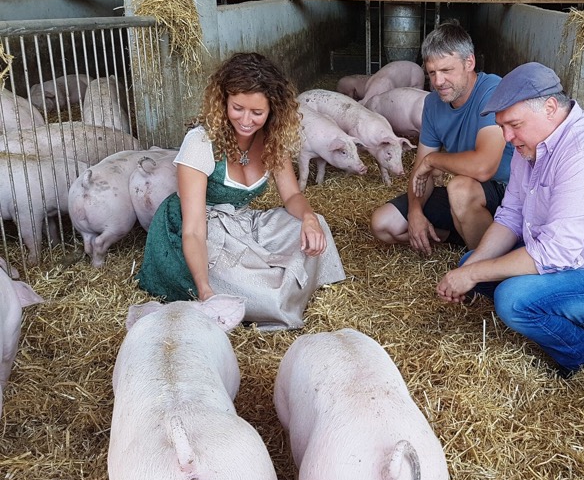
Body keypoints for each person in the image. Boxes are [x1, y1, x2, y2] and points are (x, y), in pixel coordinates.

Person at [436, 62, 584, 377]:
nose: (507, 136)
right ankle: (557, 310)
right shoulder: (530, 146)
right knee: (471, 262)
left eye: (514, 124)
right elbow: (511, 215)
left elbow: (554, 253)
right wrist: (469, 271)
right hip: (570, 262)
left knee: (513, 299)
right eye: (502, 126)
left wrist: (473, 275)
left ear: (550, 108)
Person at [137, 52, 345, 329]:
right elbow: (194, 230)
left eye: (257, 113)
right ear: (223, 101)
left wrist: (307, 218)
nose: (246, 120)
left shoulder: (272, 139)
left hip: (242, 220)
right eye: (237, 108)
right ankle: (275, 292)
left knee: (317, 225)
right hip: (201, 230)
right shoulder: (201, 142)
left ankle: (274, 284)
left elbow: (292, 196)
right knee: (264, 295)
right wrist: (205, 291)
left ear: (273, 110)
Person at [370, 20, 514, 254]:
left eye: (447, 71)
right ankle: (461, 234)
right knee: (384, 224)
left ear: (469, 62)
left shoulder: (492, 90)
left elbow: (483, 167)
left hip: (509, 194)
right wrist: (415, 212)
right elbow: (421, 171)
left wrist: (433, 161)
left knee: (459, 189)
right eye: (432, 72)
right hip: (470, 193)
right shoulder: (433, 104)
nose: (438, 82)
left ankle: (489, 264)